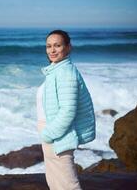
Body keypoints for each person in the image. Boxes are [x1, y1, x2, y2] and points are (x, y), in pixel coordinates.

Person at [36, 30, 95, 190]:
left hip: (58, 135)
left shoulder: (65, 73)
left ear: (68, 47)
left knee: (69, 185)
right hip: (52, 132)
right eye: (49, 46)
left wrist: (48, 134)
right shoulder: (55, 70)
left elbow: (68, 111)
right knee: (55, 183)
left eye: (57, 45)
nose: (52, 50)